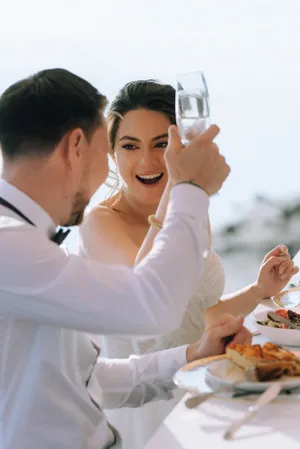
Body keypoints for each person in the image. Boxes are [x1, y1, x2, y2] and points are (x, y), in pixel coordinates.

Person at [0, 68, 237, 449]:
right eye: (111, 148)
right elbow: (148, 310)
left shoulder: (24, 242)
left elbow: (86, 377)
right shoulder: (7, 244)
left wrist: (192, 353)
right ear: (77, 146)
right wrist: (190, 188)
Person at [78, 80, 299, 448]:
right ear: (111, 154)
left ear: (180, 146)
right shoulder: (99, 224)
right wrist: (182, 189)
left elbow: (198, 316)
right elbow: (146, 308)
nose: (147, 161)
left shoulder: (190, 207)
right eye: (130, 146)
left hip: (200, 385)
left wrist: (260, 290)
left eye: (162, 144)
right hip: (141, 408)